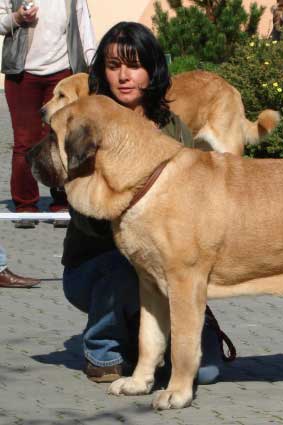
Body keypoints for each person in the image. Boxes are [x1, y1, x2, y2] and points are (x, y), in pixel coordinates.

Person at [61, 22, 233, 385]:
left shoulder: (171, 127)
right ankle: (103, 347)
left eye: (135, 65)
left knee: (208, 370)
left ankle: (151, 342)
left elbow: (194, 206)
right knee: (130, 260)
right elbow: (88, 220)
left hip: (165, 263)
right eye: (113, 66)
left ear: (151, 69)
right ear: (102, 72)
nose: (124, 76)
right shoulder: (88, 125)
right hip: (98, 263)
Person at [0, 0, 95, 229]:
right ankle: (25, 206)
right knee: (25, 142)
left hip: (62, 73)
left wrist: (93, 65)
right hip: (22, 75)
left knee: (63, 140)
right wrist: (17, 18)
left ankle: (62, 203)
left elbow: (84, 26)